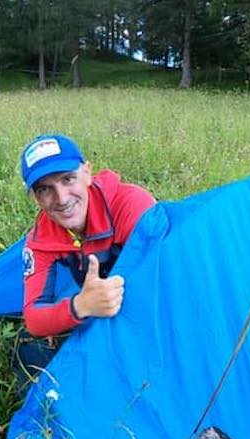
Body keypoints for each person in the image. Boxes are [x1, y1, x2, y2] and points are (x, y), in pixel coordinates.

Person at [14, 133, 156, 390]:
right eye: (45, 189)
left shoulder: (130, 206)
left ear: (87, 173)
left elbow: (165, 280)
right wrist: (81, 305)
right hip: (99, 316)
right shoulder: (41, 239)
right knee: (29, 348)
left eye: (68, 179)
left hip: (148, 317)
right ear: (36, 198)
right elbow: (34, 318)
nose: (62, 198)